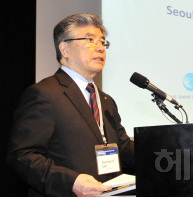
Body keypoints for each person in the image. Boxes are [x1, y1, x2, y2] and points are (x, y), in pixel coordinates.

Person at [7, 14, 135, 197]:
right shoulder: (44, 94)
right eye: (91, 40)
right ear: (64, 49)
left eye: (102, 42)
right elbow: (22, 156)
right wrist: (72, 182)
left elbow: (122, 147)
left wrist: (165, 152)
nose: (100, 48)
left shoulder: (105, 100)